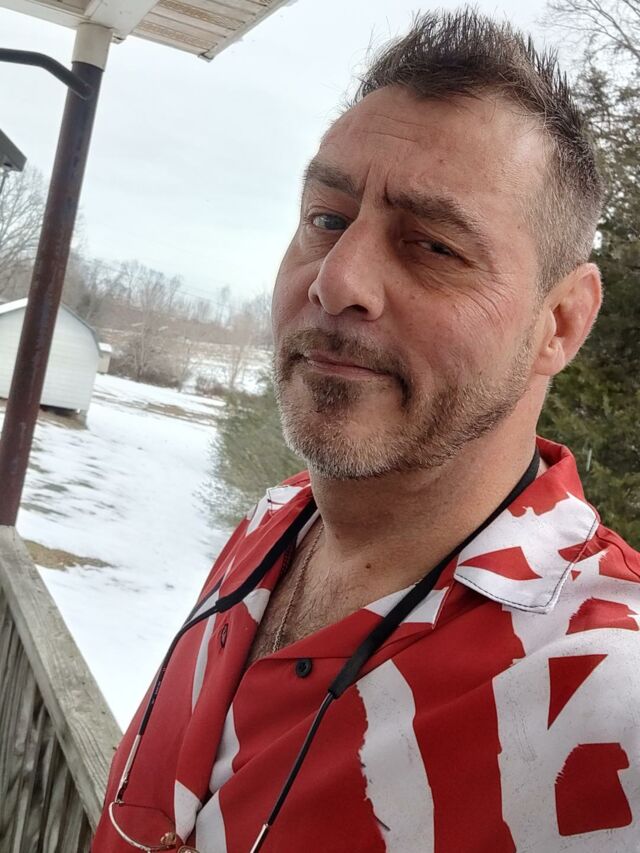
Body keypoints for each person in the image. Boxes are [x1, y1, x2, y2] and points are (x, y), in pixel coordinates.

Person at [93, 9, 640, 853]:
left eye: (433, 246)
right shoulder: (270, 526)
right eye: (326, 218)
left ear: (561, 321)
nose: (337, 279)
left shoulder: (606, 688)